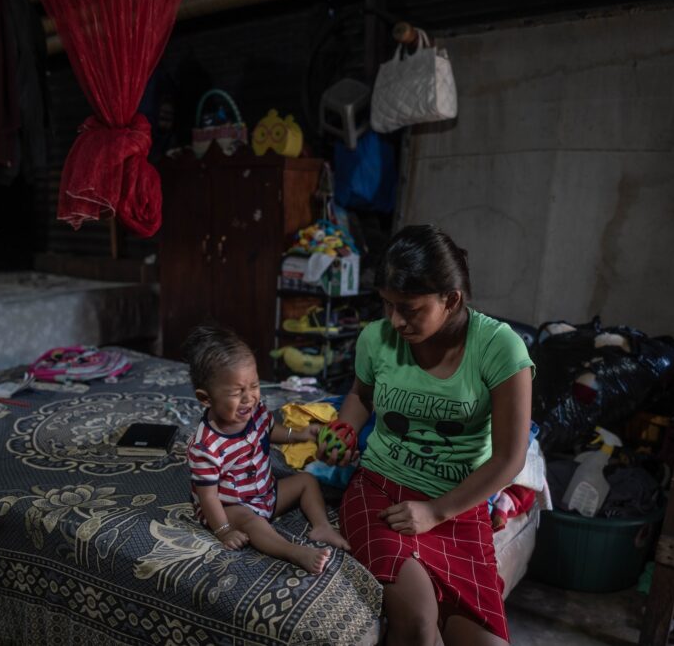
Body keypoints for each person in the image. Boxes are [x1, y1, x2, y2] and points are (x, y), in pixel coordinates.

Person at [318, 225, 534, 646]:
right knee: (419, 624)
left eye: (409, 308)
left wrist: (436, 511)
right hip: (379, 490)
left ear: (451, 299)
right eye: (387, 305)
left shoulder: (499, 348)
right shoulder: (375, 339)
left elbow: (511, 458)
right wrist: (343, 430)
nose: (395, 321)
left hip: (456, 503)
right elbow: (361, 396)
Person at [183, 324, 350, 575]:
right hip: (231, 507)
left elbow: (272, 431)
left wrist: (301, 434)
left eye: (254, 385)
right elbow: (208, 497)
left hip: (266, 493)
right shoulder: (206, 446)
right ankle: (295, 552)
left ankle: (321, 526)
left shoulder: (256, 411)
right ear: (206, 398)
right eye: (237, 392)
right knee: (252, 521)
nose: (249, 398)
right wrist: (224, 531)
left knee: (306, 480)